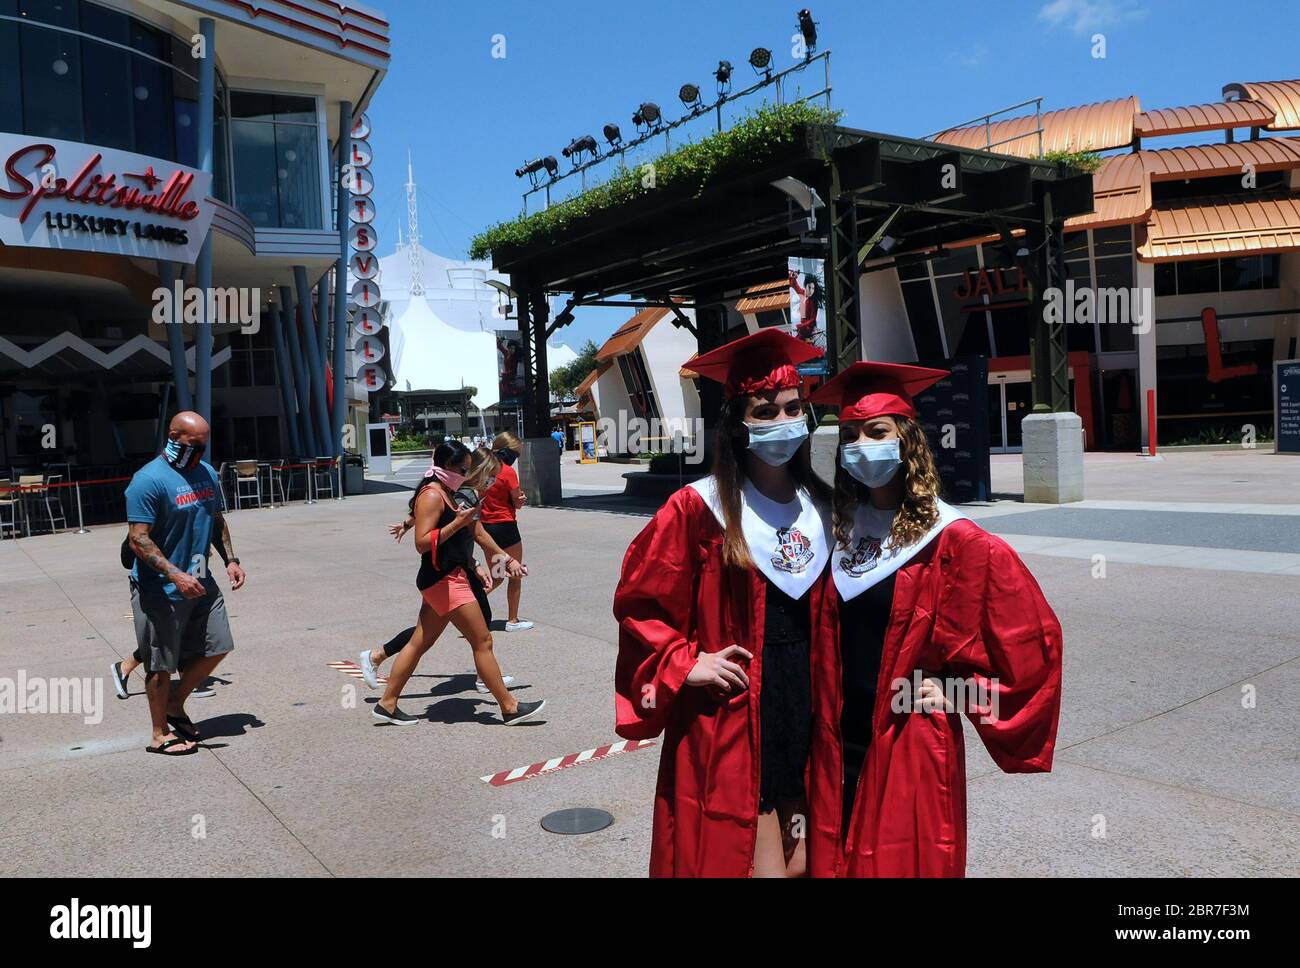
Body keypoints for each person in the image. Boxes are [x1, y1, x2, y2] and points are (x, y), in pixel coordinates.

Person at [807, 362, 1063, 877]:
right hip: (833, 737)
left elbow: (1032, 642)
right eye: (851, 435)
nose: (862, 445)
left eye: (877, 432)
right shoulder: (837, 528)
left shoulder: (956, 541)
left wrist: (967, 695)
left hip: (908, 736)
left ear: (907, 440)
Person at [612, 329, 842, 878]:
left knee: (804, 862)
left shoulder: (824, 505)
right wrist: (684, 662)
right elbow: (642, 604)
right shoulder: (698, 509)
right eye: (765, 412)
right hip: (738, 709)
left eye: (793, 408)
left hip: (808, 703)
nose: (783, 422)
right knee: (755, 865)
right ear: (738, 422)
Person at [369, 442, 544, 726]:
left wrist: (505, 560)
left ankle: (387, 703)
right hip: (444, 580)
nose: (466, 474)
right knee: (482, 640)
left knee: (419, 642)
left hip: (449, 576)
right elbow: (422, 544)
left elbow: (479, 533)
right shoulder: (432, 495)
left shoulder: (449, 492)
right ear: (447, 466)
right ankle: (509, 707)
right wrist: (457, 524)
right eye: (462, 469)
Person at [123, 411, 246, 756]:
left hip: (202, 581)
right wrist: (175, 574)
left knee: (219, 645)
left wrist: (230, 559)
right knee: (160, 663)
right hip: (159, 588)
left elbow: (216, 519)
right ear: (173, 437)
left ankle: (175, 702)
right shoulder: (148, 480)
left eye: (204, 446)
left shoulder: (206, 473)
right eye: (193, 445)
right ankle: (159, 733)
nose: (199, 452)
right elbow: (138, 539)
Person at [477, 431, 533, 631]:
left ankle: (470, 604)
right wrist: (521, 499)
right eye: (515, 453)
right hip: (506, 527)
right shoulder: (507, 471)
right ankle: (513, 620)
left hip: (487, 528)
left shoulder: (483, 469)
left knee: (497, 576)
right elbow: (517, 502)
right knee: (515, 573)